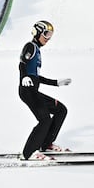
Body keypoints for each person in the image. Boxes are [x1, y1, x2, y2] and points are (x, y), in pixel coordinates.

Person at [18, 20, 71, 161]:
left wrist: (56, 83)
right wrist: (23, 77)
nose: (48, 38)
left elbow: (36, 77)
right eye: (46, 34)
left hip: (34, 91)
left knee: (61, 110)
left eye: (50, 35)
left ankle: (45, 144)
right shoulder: (31, 46)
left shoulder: (38, 51)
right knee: (44, 120)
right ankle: (28, 153)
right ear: (37, 32)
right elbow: (22, 62)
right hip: (27, 91)